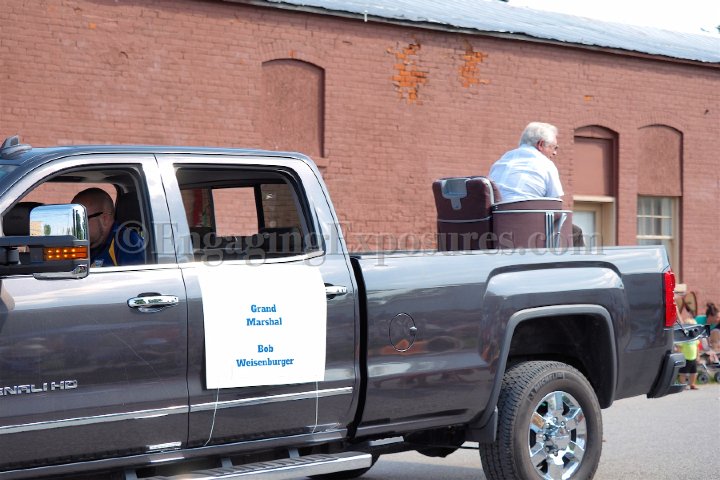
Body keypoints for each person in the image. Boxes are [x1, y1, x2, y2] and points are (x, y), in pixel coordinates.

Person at [489, 121, 584, 246]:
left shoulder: (501, 162)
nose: (555, 153)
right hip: (529, 227)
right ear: (540, 144)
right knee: (575, 232)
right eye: (554, 147)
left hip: (496, 226)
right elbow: (555, 207)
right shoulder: (546, 164)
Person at [71, 188, 145, 267]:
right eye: (72, 220)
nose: (74, 226)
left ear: (105, 219)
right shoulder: (80, 245)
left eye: (81, 220)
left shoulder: (127, 243)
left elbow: (135, 274)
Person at [675, 317, 701, 390]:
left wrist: (698, 356)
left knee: (694, 372)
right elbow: (679, 347)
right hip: (685, 358)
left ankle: (692, 384)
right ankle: (683, 384)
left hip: (693, 358)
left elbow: (697, 347)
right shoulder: (683, 338)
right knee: (683, 373)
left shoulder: (695, 338)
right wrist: (679, 356)